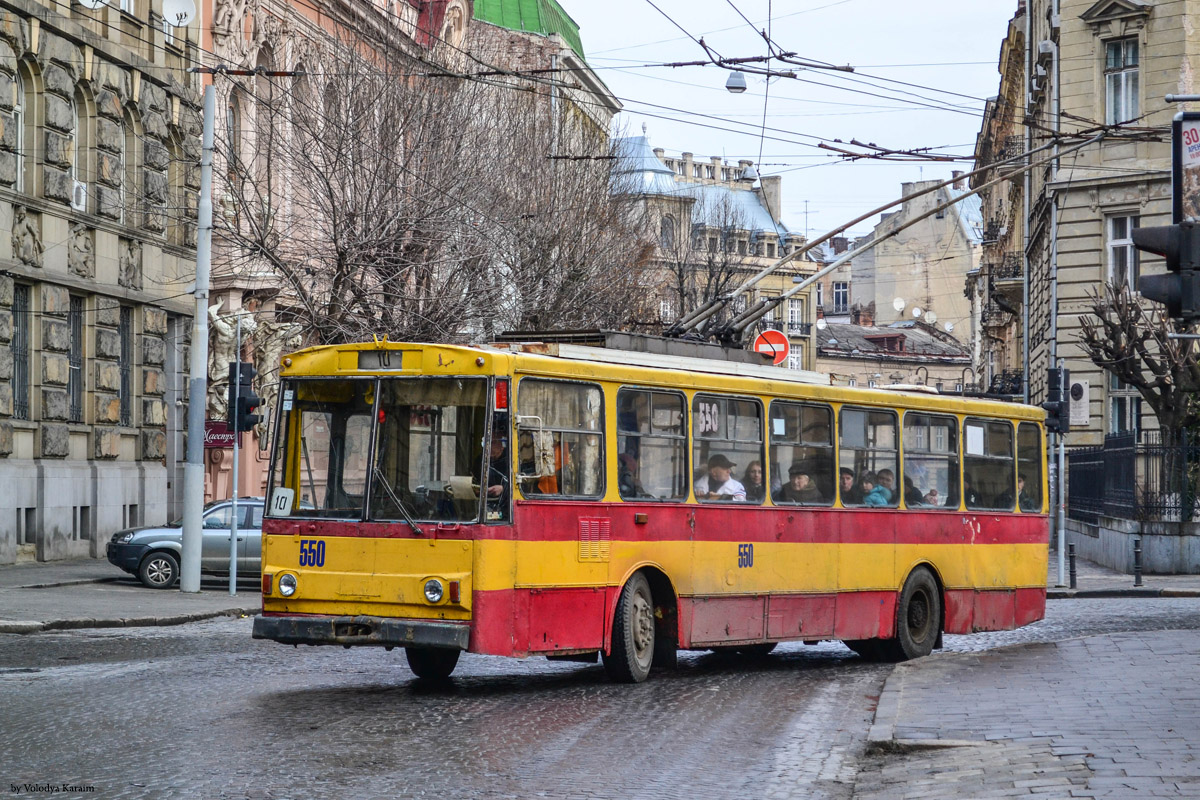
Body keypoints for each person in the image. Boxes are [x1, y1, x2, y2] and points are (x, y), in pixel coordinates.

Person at [486, 434, 510, 510]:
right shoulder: (481, 461)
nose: (489, 446)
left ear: (503, 445)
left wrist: (503, 489)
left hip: (506, 508)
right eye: (487, 442)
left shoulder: (511, 461)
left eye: (493, 442)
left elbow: (524, 486)